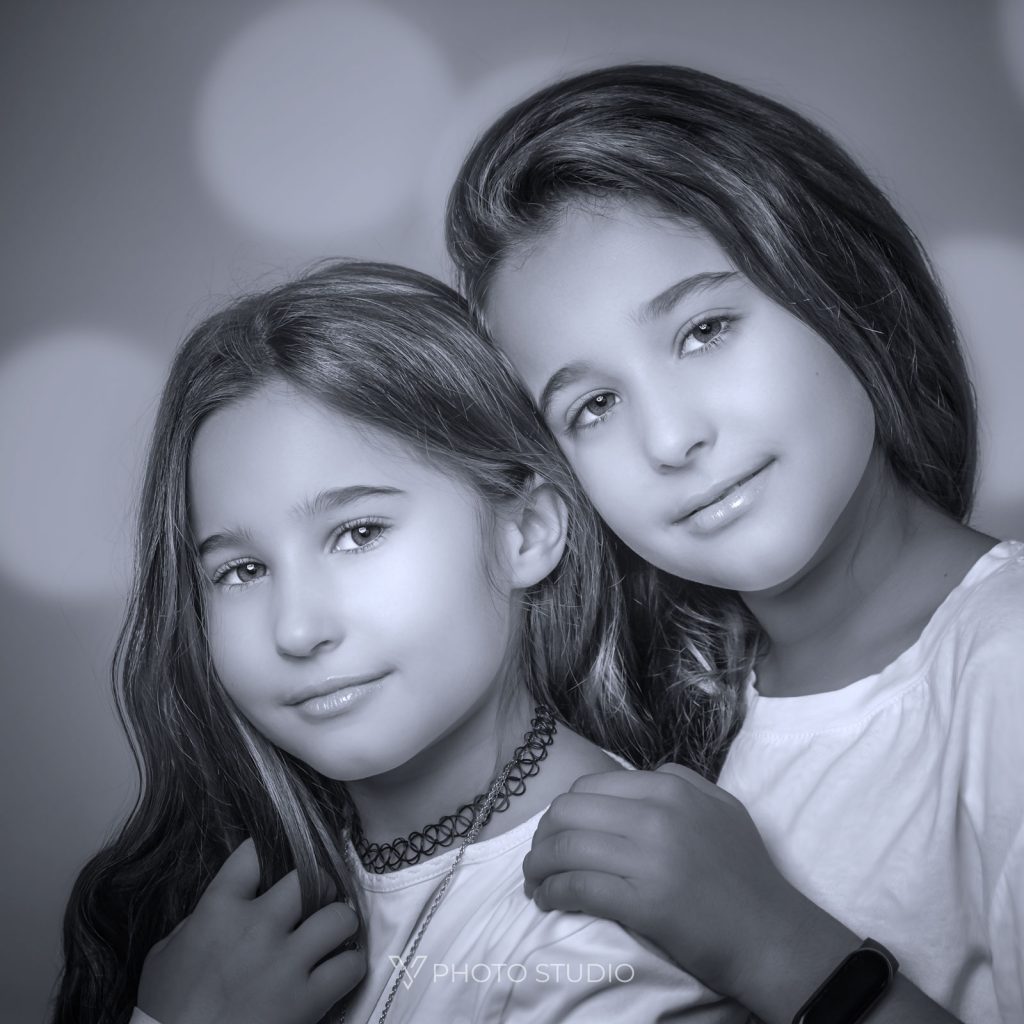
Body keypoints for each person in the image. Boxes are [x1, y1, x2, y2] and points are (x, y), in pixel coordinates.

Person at [445, 63, 1024, 1024]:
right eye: (592, 406)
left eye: (706, 329)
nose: (671, 441)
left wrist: (773, 942)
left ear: (841, 281)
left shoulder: (1005, 667)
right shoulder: (683, 723)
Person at [51, 261, 746, 1024]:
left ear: (527, 531)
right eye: (242, 569)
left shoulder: (602, 939)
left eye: (358, 533)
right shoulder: (230, 903)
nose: (298, 628)